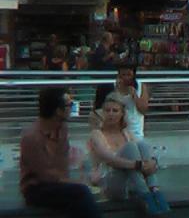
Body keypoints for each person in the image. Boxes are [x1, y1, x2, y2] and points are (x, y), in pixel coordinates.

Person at [22, 87, 103, 218]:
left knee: (81, 195)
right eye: (69, 105)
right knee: (81, 192)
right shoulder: (32, 137)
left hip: (60, 183)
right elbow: (44, 175)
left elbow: (63, 162)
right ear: (58, 111)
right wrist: (74, 182)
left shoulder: (62, 129)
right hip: (37, 188)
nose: (72, 107)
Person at [89, 92, 169, 213]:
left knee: (142, 145)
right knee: (130, 147)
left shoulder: (126, 133)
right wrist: (139, 165)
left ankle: (153, 189)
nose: (111, 114)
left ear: (122, 114)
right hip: (110, 183)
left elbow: (145, 152)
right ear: (102, 113)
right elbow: (110, 160)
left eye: (115, 111)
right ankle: (146, 193)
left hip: (131, 183)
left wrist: (153, 162)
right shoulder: (96, 134)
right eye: (107, 110)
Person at [114, 65, 150, 139]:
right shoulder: (113, 87)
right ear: (118, 75)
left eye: (129, 75)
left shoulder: (141, 86)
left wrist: (134, 95)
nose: (126, 78)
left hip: (136, 132)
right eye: (123, 74)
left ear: (133, 75)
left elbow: (143, 110)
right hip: (117, 133)